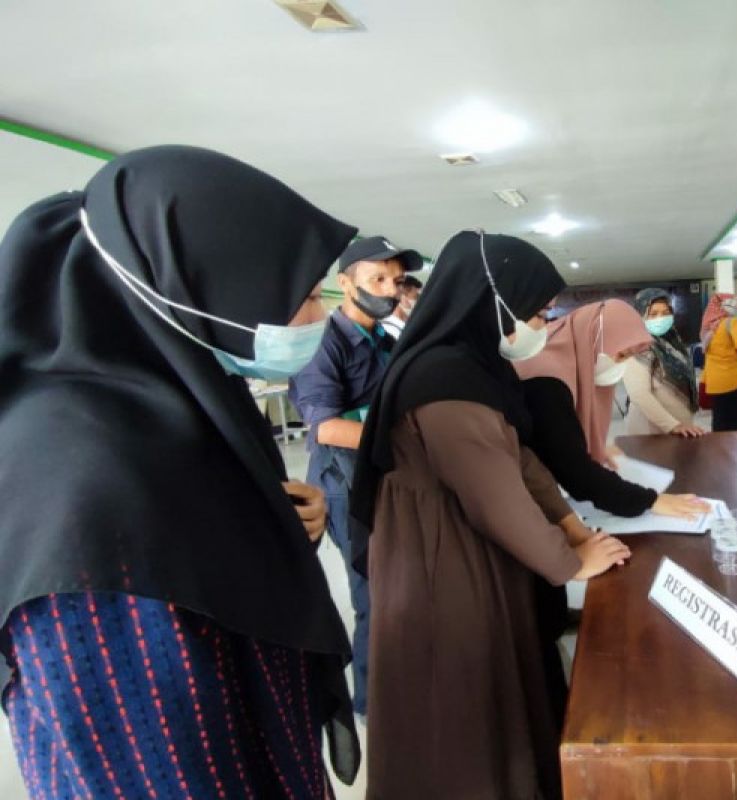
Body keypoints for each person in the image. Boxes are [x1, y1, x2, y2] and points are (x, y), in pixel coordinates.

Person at [0, 146, 361, 796]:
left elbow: (193, 540)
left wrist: (275, 524)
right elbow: (142, 754)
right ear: (205, 288)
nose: (319, 317)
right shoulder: (76, 476)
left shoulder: (172, 406)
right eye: (303, 295)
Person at [349, 231, 630, 799]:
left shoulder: (476, 368)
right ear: (490, 301)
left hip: (467, 545)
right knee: (462, 709)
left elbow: (520, 460)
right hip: (441, 562)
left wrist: (572, 528)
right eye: (532, 311)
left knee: (503, 691)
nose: (538, 324)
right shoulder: (442, 378)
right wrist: (568, 563)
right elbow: (492, 492)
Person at [515, 299, 709, 723]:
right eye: (619, 353)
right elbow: (577, 473)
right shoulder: (547, 378)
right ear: (595, 339)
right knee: (539, 612)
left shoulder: (571, 361)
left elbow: (578, 450)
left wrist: (597, 449)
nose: (620, 364)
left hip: (541, 497)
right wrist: (653, 500)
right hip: (525, 506)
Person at [287, 234, 405, 720]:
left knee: (397, 586)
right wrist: (408, 439)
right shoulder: (324, 344)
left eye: (395, 281)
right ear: (345, 283)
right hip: (345, 484)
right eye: (377, 278)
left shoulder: (385, 339)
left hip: (382, 479)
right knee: (372, 595)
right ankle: (371, 707)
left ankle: (402, 682)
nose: (389, 289)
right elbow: (328, 427)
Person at [625, 288, 704, 436]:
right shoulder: (637, 347)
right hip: (651, 431)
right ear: (639, 316)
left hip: (677, 429)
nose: (661, 318)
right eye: (653, 314)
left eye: (666, 312)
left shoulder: (673, 342)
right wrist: (674, 425)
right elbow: (639, 394)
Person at [702, 292, 737, 431]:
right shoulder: (733, 322)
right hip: (735, 380)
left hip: (716, 381)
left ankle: (721, 448)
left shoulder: (709, 328)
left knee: (721, 418)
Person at [380, 263, 424, 339]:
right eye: (416, 296)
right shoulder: (389, 327)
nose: (417, 300)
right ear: (404, 292)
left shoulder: (409, 322)